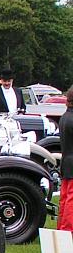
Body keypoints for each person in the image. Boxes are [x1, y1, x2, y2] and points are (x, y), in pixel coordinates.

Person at [57, 86, 73, 231]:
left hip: (66, 160)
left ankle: (62, 228)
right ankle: (67, 231)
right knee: (70, 200)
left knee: (65, 199)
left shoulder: (65, 116)